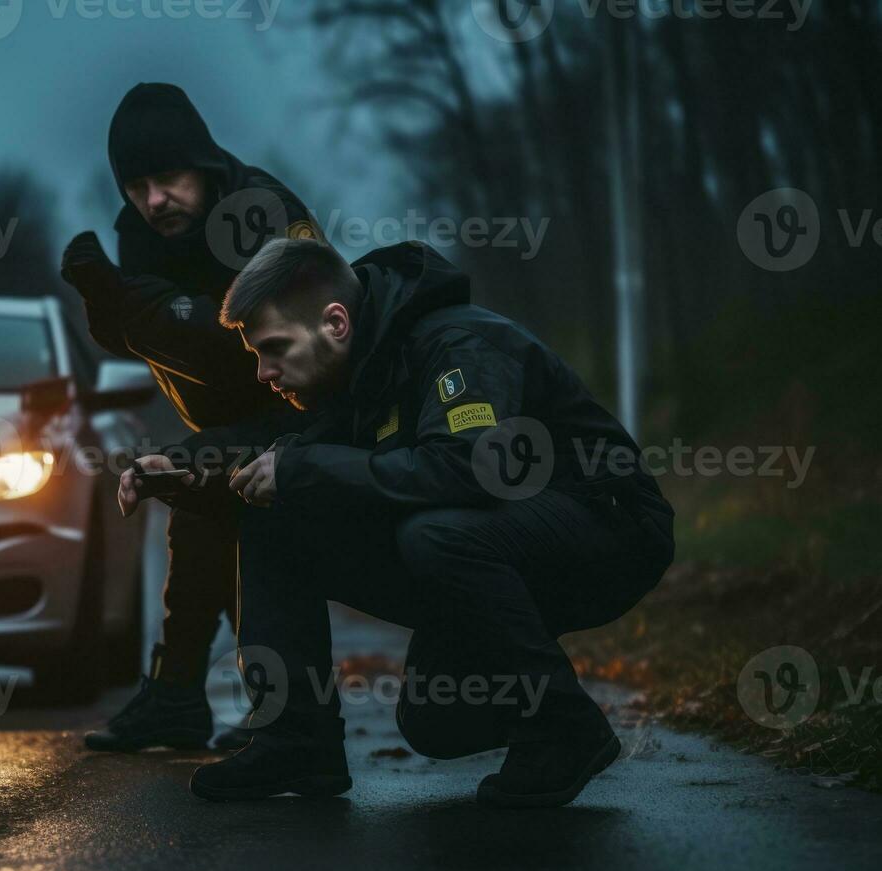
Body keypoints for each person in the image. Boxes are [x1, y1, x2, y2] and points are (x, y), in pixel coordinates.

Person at [117, 237, 675, 807]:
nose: (263, 373)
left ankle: (564, 727)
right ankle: (296, 742)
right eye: (258, 356)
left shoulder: (458, 344)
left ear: (335, 322)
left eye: (274, 349)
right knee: (435, 721)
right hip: (490, 539)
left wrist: (303, 467)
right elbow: (281, 451)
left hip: (610, 527)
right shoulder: (361, 366)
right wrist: (188, 470)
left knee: (431, 535)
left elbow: (466, 468)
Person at [61, 83, 322, 752]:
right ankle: (184, 698)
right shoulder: (137, 231)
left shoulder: (263, 214)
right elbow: (145, 338)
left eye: (168, 178)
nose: (152, 200)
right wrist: (111, 308)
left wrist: (138, 307)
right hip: (220, 415)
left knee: (253, 534)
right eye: (136, 184)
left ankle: (287, 717)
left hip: (299, 403)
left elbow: (248, 348)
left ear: (203, 167)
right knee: (199, 515)